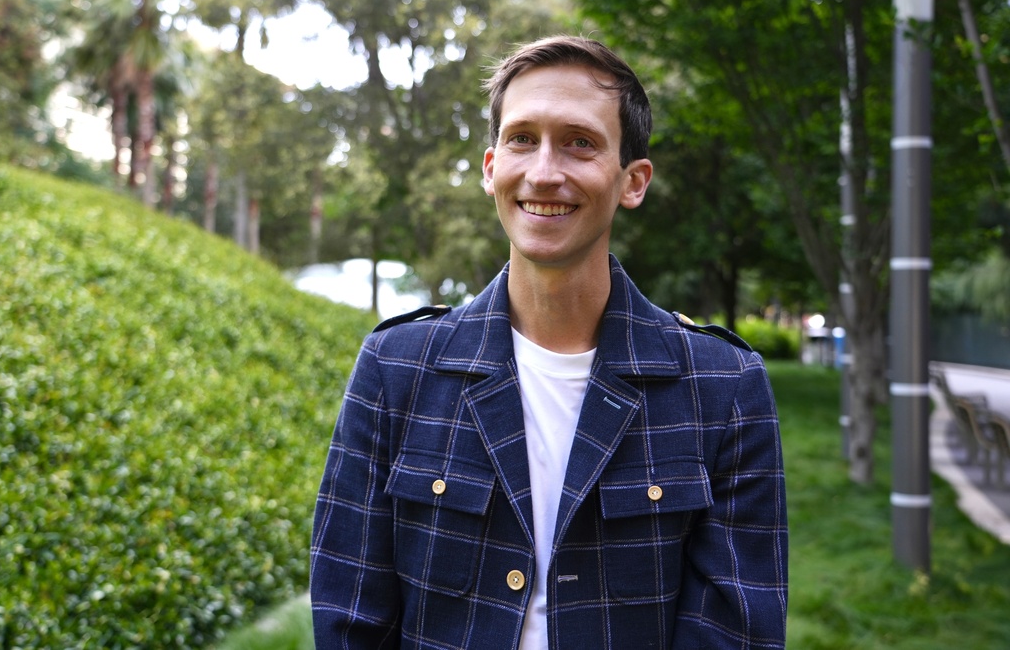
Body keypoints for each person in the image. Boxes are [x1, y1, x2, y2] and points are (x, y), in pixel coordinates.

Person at [310, 35, 788, 649]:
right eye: (521, 139)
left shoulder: (722, 387)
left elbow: (735, 635)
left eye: (580, 143)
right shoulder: (395, 369)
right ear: (491, 169)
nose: (543, 172)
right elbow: (349, 619)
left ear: (632, 181)